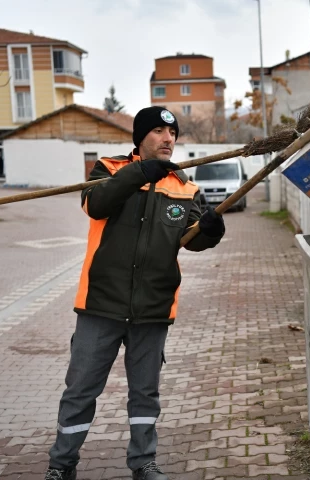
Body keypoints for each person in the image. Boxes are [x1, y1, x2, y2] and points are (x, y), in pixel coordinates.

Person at [45, 106, 225, 480]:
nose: (168, 139)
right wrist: (139, 173)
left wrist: (211, 231)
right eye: (159, 131)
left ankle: (143, 462)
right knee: (80, 390)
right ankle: (62, 466)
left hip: (153, 307)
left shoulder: (185, 187)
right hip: (101, 305)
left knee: (145, 395)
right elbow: (96, 205)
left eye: (172, 133)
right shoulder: (107, 170)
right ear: (141, 137)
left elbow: (192, 241)